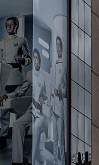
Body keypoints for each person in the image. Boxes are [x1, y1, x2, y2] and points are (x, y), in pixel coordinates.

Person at [0, 16, 31, 151]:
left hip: (18, 77)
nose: (9, 26)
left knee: (19, 109)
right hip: (5, 77)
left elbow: (29, 59)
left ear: (16, 26)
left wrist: (23, 60)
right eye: (7, 25)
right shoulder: (1, 43)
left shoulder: (22, 40)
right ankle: (3, 138)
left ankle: (20, 139)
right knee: (3, 110)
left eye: (12, 24)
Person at [12, 48, 47, 165]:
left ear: (40, 61)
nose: (35, 60)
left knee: (37, 127)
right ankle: (17, 161)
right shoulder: (30, 75)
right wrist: (7, 96)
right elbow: (21, 91)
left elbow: (50, 95)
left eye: (37, 58)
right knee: (17, 124)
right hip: (33, 109)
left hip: (44, 113)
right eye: (34, 58)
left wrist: (45, 99)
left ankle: (33, 160)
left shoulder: (46, 76)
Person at [51, 36, 66, 165]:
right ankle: (55, 160)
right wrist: (50, 104)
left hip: (61, 106)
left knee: (61, 137)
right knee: (55, 136)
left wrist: (62, 92)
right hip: (54, 106)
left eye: (59, 45)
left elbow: (67, 89)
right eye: (56, 45)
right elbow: (52, 87)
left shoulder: (65, 65)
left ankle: (62, 160)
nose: (58, 47)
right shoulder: (54, 64)